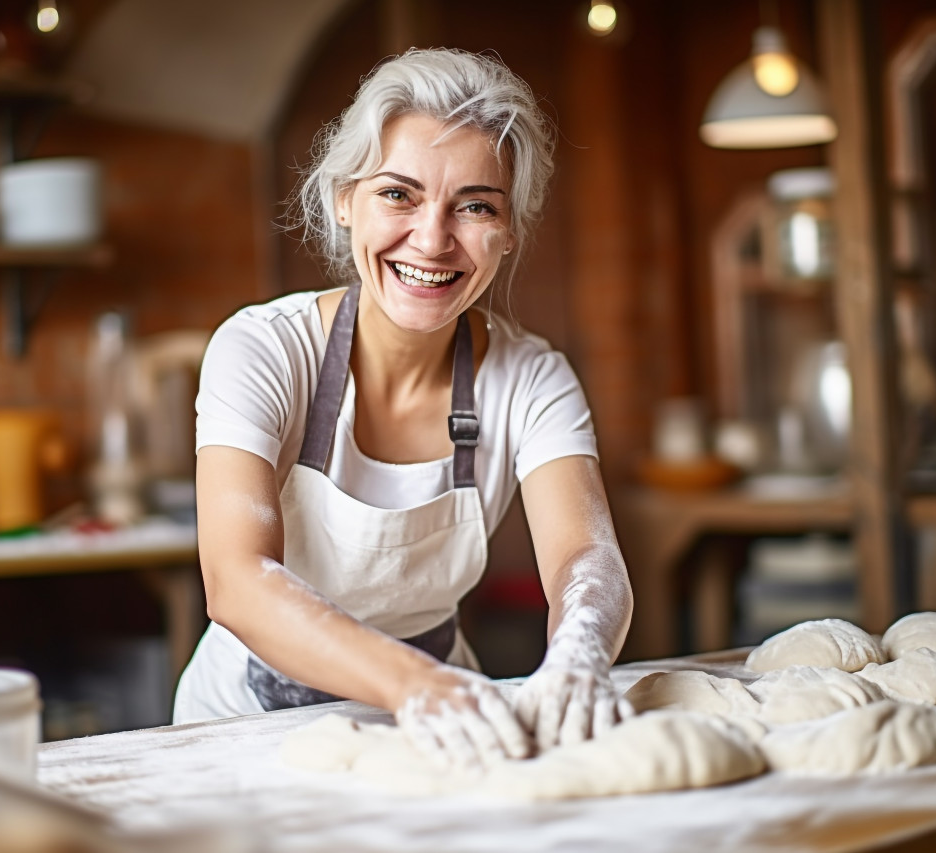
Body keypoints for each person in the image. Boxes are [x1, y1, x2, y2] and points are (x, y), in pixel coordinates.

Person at [173, 47, 634, 771]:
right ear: (343, 199)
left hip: (446, 727)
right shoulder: (262, 349)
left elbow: (587, 560)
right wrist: (417, 685)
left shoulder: (531, 377)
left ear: (508, 232)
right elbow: (237, 580)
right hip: (242, 728)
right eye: (398, 194)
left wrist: (578, 658)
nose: (431, 237)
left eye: (475, 205)